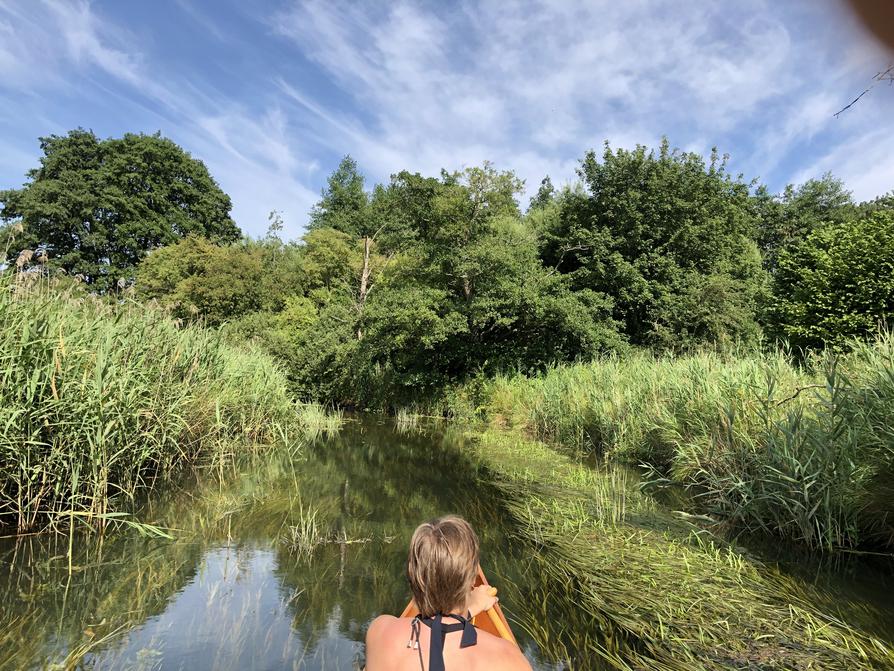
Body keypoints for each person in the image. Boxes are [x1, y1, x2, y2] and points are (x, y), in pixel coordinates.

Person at [365, 515, 532, 671]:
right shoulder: (509, 658)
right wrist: (469, 609)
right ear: (472, 578)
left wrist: (470, 610)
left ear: (414, 576)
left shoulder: (379, 631)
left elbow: (437, 634)